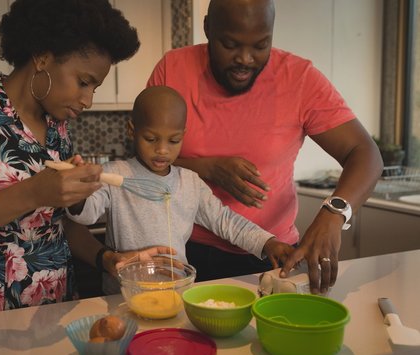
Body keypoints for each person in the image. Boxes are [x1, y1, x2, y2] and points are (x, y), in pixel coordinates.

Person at [0, 0, 173, 320]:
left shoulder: (57, 129)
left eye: (95, 87)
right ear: (42, 56)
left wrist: (107, 258)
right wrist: (32, 192)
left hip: (57, 316)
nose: (88, 100)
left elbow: (55, 223)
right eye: (83, 81)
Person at [147, 0, 383, 294]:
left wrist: (334, 214)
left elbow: (366, 154)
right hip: (184, 250)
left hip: (272, 254)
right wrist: (207, 168)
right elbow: (141, 164)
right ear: (208, 28)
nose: (245, 59)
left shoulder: (300, 79)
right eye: (230, 44)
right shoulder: (172, 70)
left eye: (261, 45)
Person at [66, 86, 294, 294]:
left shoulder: (190, 183)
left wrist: (267, 242)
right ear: (131, 130)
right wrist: (79, 191)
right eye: (151, 138)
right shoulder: (114, 175)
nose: (162, 150)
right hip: (125, 295)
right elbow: (85, 215)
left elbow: (226, 221)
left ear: (183, 136)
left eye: (173, 141)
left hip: (175, 292)